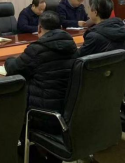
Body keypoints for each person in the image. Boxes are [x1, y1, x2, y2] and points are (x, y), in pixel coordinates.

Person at [5, 10, 78, 163]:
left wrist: (9, 59)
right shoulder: (72, 45)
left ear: (39, 28)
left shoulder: (37, 49)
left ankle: (32, 156)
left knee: (13, 113)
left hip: (42, 115)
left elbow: (13, 69)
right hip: (69, 111)